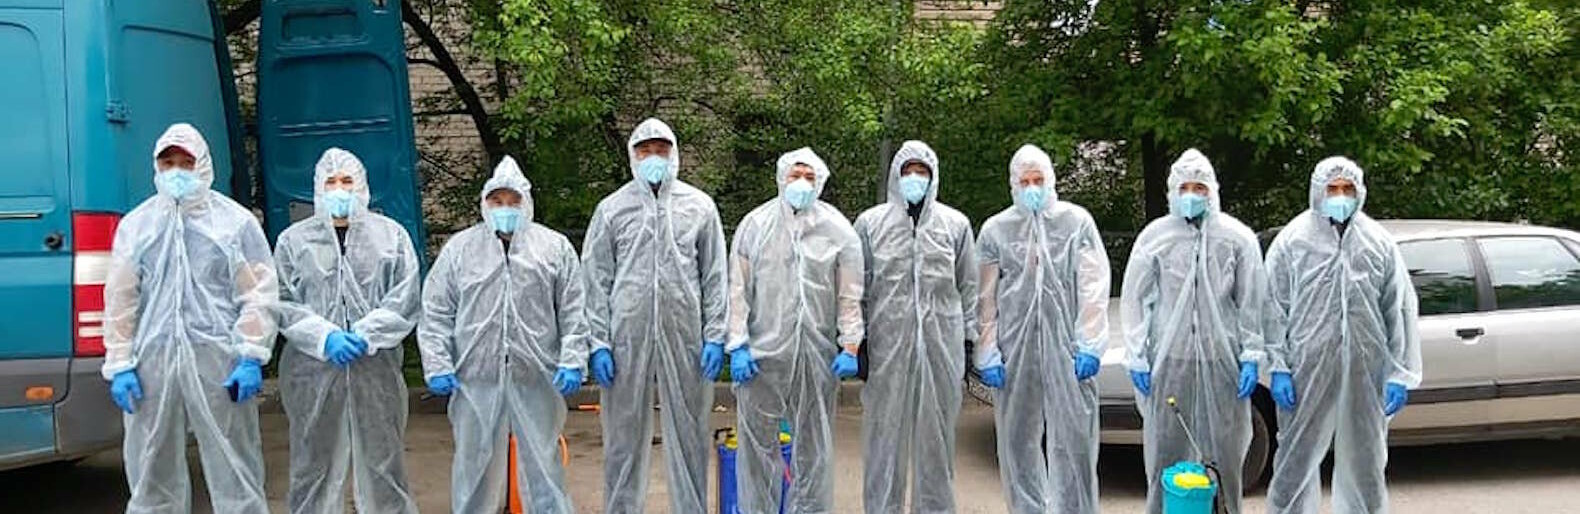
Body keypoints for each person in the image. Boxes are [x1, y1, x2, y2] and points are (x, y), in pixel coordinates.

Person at [102, 123, 278, 514]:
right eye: (168, 163)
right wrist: (120, 362)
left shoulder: (234, 222)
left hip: (219, 360)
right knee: (151, 465)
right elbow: (120, 298)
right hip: (153, 362)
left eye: (186, 162)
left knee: (235, 462)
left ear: (203, 165)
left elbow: (258, 293)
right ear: (156, 167)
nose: (177, 171)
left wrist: (251, 355)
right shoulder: (138, 225)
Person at [418, 156, 590, 514]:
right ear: (485, 204)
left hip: (536, 374)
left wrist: (573, 359)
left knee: (543, 463)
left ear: (526, 203)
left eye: (513, 200)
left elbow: (574, 308)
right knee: (473, 465)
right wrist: (437, 363)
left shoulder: (553, 247)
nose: (505, 208)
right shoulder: (460, 249)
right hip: (475, 376)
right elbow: (436, 310)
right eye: (497, 201)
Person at [581, 118, 729, 513]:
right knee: (623, 433)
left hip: (686, 334)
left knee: (690, 430)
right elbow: (594, 279)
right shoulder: (612, 209)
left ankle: (691, 508)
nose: (653, 157)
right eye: (644, 150)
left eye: (661, 149)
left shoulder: (699, 206)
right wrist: (598, 342)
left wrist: (716, 335)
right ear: (633, 156)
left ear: (674, 153)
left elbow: (715, 275)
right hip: (626, 336)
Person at [1263, 157, 1422, 514]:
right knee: (1296, 456)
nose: (1339, 196)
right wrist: (1278, 365)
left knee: (1366, 458)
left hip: (1366, 369)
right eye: (1332, 188)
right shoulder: (1293, 241)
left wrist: (1400, 373)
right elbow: (1271, 306)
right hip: (1306, 368)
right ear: (1317, 191)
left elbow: (1398, 309)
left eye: (1347, 188)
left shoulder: (1378, 241)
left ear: (1359, 191)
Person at [274, 148, 422, 514]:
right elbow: (281, 300)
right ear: (317, 188)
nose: (339, 189)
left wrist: (368, 333)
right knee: (313, 460)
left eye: (347, 181)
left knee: (383, 459)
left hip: (375, 366)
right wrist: (323, 336)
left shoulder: (391, 237)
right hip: (312, 370)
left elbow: (404, 297)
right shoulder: (294, 241)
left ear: (362, 186)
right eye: (331, 182)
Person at [1122, 148, 1269, 514]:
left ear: (1212, 190)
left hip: (1222, 361)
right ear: (1172, 190)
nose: (1191, 195)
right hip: (1171, 360)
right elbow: (1135, 298)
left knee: (1225, 454)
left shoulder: (1237, 238)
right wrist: (1137, 354)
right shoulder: (1155, 237)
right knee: (1166, 452)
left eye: (1199, 187)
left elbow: (1252, 301)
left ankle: (1226, 509)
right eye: (1184, 187)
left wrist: (1252, 354)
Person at [727, 147, 865, 514]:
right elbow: (737, 289)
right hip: (761, 354)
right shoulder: (755, 225)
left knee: (813, 445)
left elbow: (850, 294)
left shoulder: (838, 230)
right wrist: (737, 344)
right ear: (781, 177)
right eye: (795, 175)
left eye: (809, 177)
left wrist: (850, 345)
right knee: (757, 444)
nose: (801, 183)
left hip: (815, 354)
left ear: (820, 182)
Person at [975, 144, 1111, 513]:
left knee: (1075, 437)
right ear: (1013, 185)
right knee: (1017, 438)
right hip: (1014, 350)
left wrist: (1090, 343)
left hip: (1068, 348)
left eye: (1038, 179)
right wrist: (987, 350)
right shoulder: (995, 230)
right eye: (1025, 182)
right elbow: (984, 297)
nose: (1032, 188)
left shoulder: (1076, 222)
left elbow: (1093, 286)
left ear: (1051, 180)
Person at [854, 140, 980, 514]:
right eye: (906, 171)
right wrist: (857, 341)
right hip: (886, 347)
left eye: (921, 171)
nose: (913, 178)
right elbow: (856, 287)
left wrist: (969, 340)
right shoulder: (870, 224)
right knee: (883, 440)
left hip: (941, 348)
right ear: (895, 175)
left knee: (936, 442)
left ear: (933, 176)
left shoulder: (955, 225)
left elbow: (969, 286)